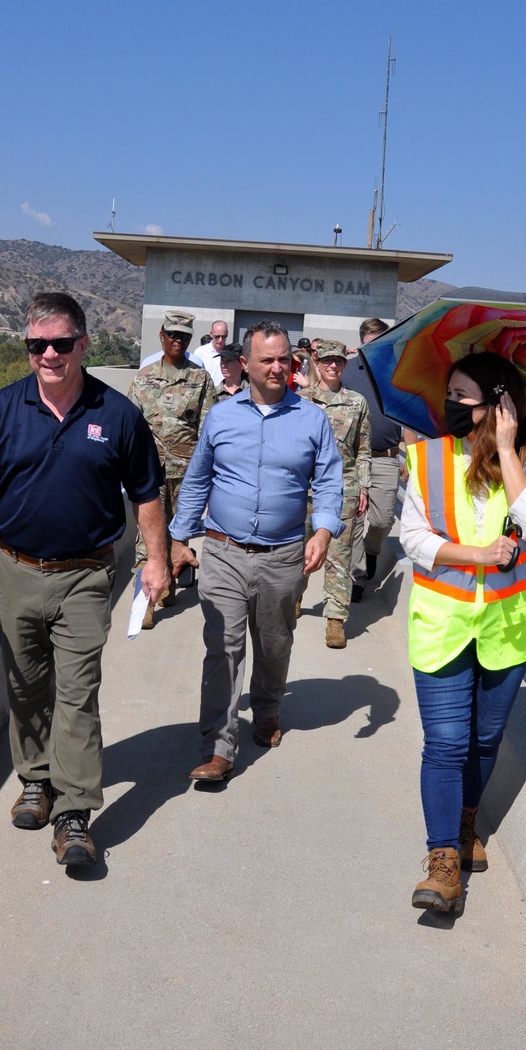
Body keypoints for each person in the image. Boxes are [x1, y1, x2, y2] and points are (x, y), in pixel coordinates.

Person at [0, 292, 168, 868]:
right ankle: (35, 779)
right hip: (14, 569)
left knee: (77, 691)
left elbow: (146, 494)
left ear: (83, 344)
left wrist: (156, 561)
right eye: (37, 345)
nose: (49, 355)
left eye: (61, 344)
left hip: (86, 575)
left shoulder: (117, 415)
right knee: (25, 686)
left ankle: (74, 813)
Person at [399, 352, 526, 914]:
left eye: (464, 395)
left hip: (508, 627)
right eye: (451, 393)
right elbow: (414, 538)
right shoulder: (426, 457)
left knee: (485, 740)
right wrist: (475, 554)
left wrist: (510, 448)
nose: (452, 404)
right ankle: (443, 860)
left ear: (499, 402)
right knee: (445, 742)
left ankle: (468, 822)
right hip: (442, 623)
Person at [168, 320, 344, 780]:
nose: (277, 367)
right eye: (266, 359)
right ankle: (219, 747)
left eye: (284, 358)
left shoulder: (312, 419)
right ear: (244, 364)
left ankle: (267, 708)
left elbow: (328, 483)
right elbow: (197, 480)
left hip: (284, 554)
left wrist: (322, 532)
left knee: (274, 643)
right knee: (222, 648)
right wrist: (178, 539)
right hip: (224, 551)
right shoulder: (222, 417)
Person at [128, 310, 214, 629]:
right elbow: (131, 427)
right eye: (173, 335)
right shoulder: (143, 377)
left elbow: (209, 428)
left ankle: (169, 584)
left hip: (187, 470)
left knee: (178, 532)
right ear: (162, 336)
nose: (178, 341)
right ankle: (145, 601)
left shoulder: (201, 378)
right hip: (150, 470)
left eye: (185, 337)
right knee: (147, 535)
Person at [301, 340, 371, 649]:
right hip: (303, 490)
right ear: (317, 362)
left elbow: (364, 450)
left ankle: (335, 618)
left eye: (339, 362)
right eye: (328, 361)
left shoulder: (357, 402)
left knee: (339, 556)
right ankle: (292, 598)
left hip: (343, 488)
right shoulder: (300, 401)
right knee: (296, 552)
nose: (333, 366)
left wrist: (364, 487)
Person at [344, 319, 403, 589]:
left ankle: (372, 551)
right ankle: (356, 579)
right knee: (354, 519)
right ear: (361, 343)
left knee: (382, 519)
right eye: (370, 344)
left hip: (386, 458)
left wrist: (410, 458)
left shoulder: (397, 372)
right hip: (354, 459)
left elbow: (407, 416)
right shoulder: (346, 370)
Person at [192, 319, 229, 387]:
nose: (220, 340)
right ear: (211, 335)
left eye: (223, 337)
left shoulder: (231, 352)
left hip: (225, 394)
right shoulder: (200, 352)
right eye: (217, 337)